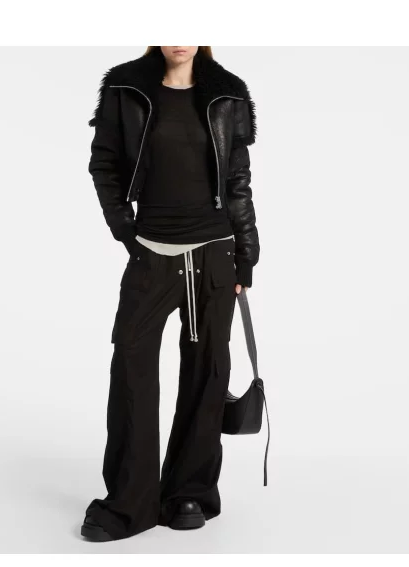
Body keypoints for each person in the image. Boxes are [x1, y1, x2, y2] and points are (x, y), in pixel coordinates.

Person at [81, 46, 260, 542]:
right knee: (131, 369)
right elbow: (104, 164)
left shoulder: (227, 93)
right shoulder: (125, 88)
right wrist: (126, 229)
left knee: (207, 373)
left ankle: (188, 493)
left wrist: (246, 253)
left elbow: (238, 181)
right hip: (151, 255)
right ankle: (129, 502)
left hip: (214, 253)